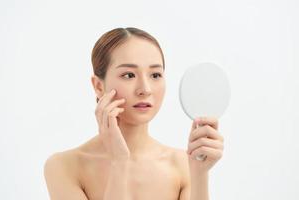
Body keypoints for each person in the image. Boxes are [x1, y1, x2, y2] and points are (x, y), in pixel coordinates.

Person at [43, 27, 224, 200]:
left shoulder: (183, 164)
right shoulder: (64, 167)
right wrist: (119, 161)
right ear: (98, 86)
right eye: (129, 75)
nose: (145, 89)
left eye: (155, 75)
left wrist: (200, 173)